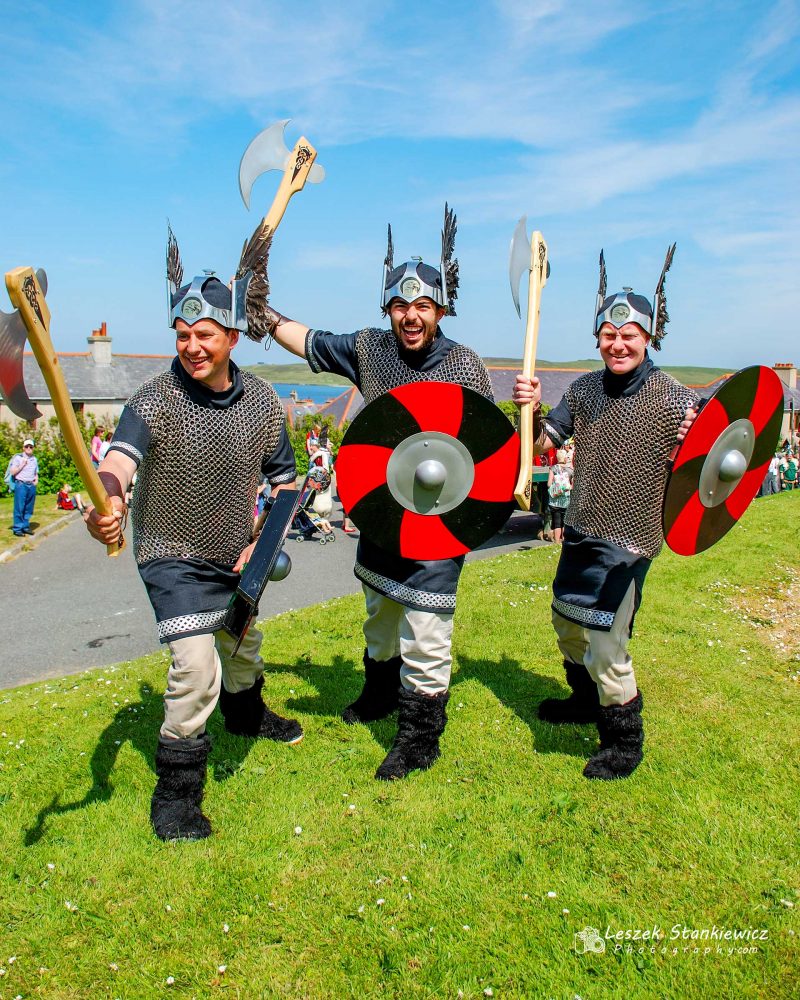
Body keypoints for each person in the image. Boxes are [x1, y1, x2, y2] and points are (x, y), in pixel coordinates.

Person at [260, 205, 493, 780]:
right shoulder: (371, 349)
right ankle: (379, 693)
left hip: (440, 518)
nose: (410, 316)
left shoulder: (465, 365)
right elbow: (308, 341)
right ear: (387, 309)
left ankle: (419, 737)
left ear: (441, 310)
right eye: (400, 306)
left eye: (422, 306)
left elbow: (488, 450)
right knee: (380, 613)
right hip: (386, 510)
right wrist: (263, 313)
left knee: (427, 629)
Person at [84, 221, 300, 842]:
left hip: (234, 550)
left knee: (240, 645)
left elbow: (286, 485)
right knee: (197, 665)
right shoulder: (153, 398)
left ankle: (247, 714)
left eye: (204, 334)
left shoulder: (263, 402)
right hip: (170, 551)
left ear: (232, 336)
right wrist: (108, 500)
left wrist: (262, 543)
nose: (191, 346)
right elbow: (118, 461)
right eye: (182, 334)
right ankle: (176, 795)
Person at [513, 246, 696, 780]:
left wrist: (696, 439)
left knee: (607, 645)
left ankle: (623, 741)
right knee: (567, 624)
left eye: (629, 335)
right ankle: (584, 700)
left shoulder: (674, 398)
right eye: (609, 335)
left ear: (648, 338)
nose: (618, 344)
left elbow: (703, 464)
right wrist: (531, 411)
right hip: (583, 529)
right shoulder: (585, 389)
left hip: (631, 541)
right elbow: (543, 442)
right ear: (598, 337)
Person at [9, 439, 38, 537]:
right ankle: (17, 528)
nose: (29, 448)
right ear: (23, 448)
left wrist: (36, 480)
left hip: (31, 485)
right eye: (27, 446)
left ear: (33, 448)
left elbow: (35, 472)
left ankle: (25, 527)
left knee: (29, 507)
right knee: (19, 507)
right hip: (21, 485)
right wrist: (22, 464)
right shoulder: (18, 458)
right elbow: (12, 472)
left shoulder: (34, 459)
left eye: (31, 447)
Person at [547, 448, 572, 543]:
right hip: (565, 500)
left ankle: (557, 541)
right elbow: (572, 486)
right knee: (565, 522)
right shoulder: (570, 470)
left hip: (555, 501)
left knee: (557, 522)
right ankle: (564, 540)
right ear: (565, 458)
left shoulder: (553, 468)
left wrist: (556, 487)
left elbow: (549, 484)